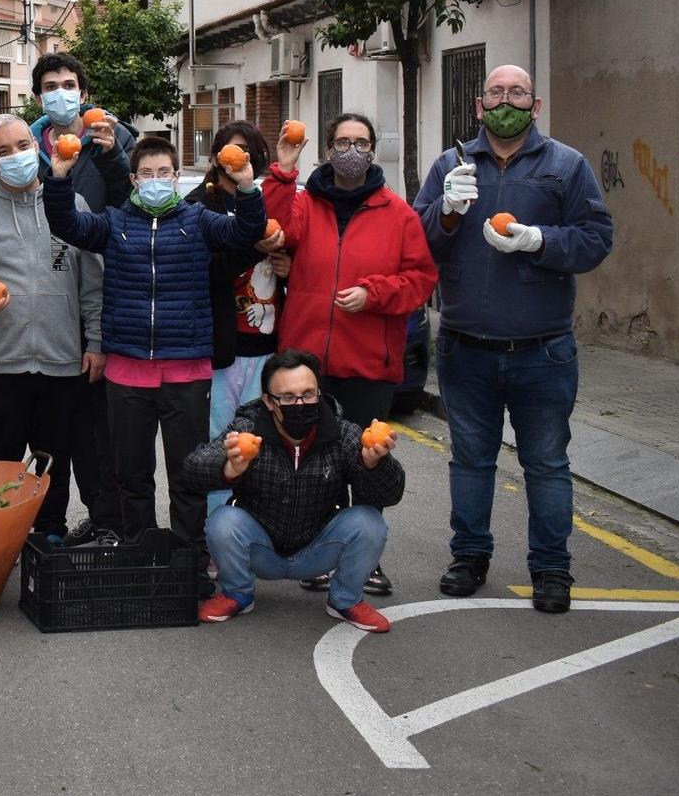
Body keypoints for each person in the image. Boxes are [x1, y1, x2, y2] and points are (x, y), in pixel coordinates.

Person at [414, 64, 614, 614]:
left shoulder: (566, 166)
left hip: (543, 350)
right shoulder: (451, 166)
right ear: (479, 106)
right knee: (471, 460)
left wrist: (538, 240)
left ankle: (551, 568)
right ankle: (469, 557)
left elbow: (597, 240)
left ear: (536, 104)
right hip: (464, 346)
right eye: (497, 92)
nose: (507, 100)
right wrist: (446, 212)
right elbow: (417, 243)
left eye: (518, 93)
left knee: (546, 463)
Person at [45, 134, 265, 592]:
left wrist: (247, 188)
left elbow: (246, 234)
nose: (156, 181)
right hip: (127, 370)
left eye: (164, 172)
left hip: (186, 370)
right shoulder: (113, 223)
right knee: (132, 474)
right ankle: (138, 553)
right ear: (133, 180)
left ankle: (188, 558)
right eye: (146, 174)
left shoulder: (200, 221)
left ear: (176, 175)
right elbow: (66, 223)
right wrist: (60, 177)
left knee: (189, 472)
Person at [266, 111, 435, 598]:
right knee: (314, 468)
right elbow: (272, 229)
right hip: (307, 367)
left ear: (373, 150)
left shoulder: (398, 214)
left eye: (360, 142)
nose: (351, 150)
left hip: (368, 364)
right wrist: (282, 169)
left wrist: (374, 293)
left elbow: (421, 279)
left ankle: (365, 561)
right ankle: (319, 556)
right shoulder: (305, 204)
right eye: (342, 141)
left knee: (364, 463)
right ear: (327, 147)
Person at [0, 114, 103, 542]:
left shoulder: (72, 204)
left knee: (53, 457)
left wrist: (96, 342)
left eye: (21, 145)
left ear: (38, 146)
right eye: (3, 150)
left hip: (62, 357)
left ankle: (49, 530)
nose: (15, 156)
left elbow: (92, 284)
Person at [185, 350, 403, 632]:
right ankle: (237, 592)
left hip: (318, 551)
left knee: (369, 521)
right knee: (222, 521)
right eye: (287, 397)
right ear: (268, 401)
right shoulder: (247, 428)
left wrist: (373, 463)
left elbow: (392, 493)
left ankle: (345, 600)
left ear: (319, 394)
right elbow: (192, 469)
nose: (299, 404)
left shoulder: (343, 432)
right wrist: (229, 468)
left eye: (308, 394)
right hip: (261, 549)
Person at [28, 53, 132, 544]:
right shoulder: (25, 145)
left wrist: (112, 155)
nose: (60, 92)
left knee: (96, 428)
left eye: (69, 83)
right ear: (38, 96)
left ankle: (106, 520)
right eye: (50, 85)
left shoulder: (112, 138)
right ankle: (47, 524)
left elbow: (127, 207)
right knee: (50, 425)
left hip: (98, 295)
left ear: (84, 93)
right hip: (44, 300)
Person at [192, 121, 298, 510]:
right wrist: (254, 248)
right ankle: (217, 531)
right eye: (234, 150)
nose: (241, 159)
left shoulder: (264, 200)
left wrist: (291, 264)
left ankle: (258, 526)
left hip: (268, 347)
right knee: (223, 441)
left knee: (265, 441)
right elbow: (206, 270)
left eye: (251, 152)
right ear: (217, 156)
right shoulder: (199, 207)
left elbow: (300, 249)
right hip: (223, 348)